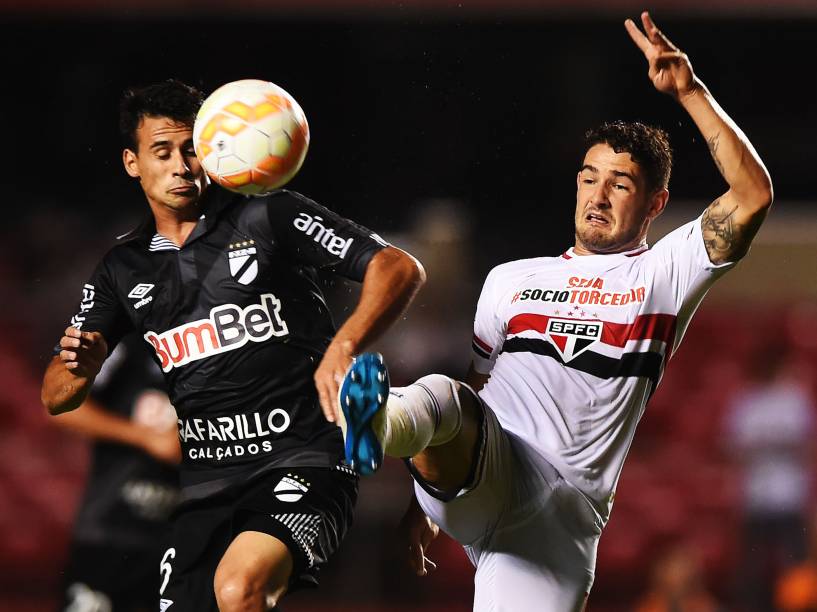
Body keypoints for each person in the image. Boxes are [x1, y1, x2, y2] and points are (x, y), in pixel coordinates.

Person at [337, 12, 773, 610]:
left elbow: (751, 197)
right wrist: (423, 503)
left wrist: (690, 93)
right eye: (589, 177)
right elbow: (476, 392)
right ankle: (379, 422)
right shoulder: (510, 280)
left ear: (655, 203)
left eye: (619, 184)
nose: (597, 195)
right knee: (444, 393)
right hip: (483, 466)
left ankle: (387, 422)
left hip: (558, 518)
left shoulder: (662, 274)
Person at [41, 79, 425, 611]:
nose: (181, 164)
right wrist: (77, 366)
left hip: (303, 458)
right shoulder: (121, 269)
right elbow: (56, 395)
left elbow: (397, 266)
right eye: (162, 151)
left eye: (191, 148)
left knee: (238, 589)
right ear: (132, 162)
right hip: (204, 486)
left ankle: (393, 421)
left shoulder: (267, 214)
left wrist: (344, 344)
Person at [54, 334, 181, 612]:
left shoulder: (227, 345)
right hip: (111, 528)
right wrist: (145, 438)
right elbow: (61, 405)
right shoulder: (125, 335)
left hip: (185, 536)